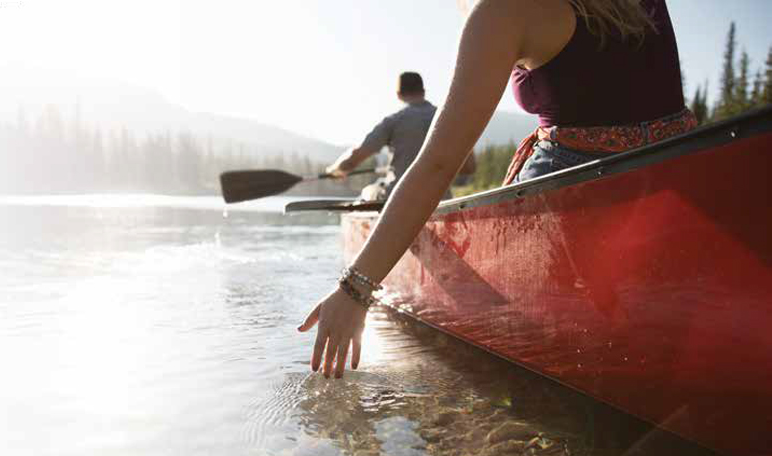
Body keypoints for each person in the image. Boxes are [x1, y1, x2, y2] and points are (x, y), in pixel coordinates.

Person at [298, 0, 696, 379]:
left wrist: (354, 289)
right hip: (677, 176)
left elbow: (438, 165)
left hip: (570, 196)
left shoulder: (503, 11)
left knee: (376, 194)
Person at [326, 72, 476, 200]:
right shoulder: (450, 119)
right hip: (440, 199)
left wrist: (335, 171)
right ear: (423, 91)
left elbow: (354, 159)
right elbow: (469, 167)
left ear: (399, 95)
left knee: (367, 192)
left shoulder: (393, 121)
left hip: (397, 198)